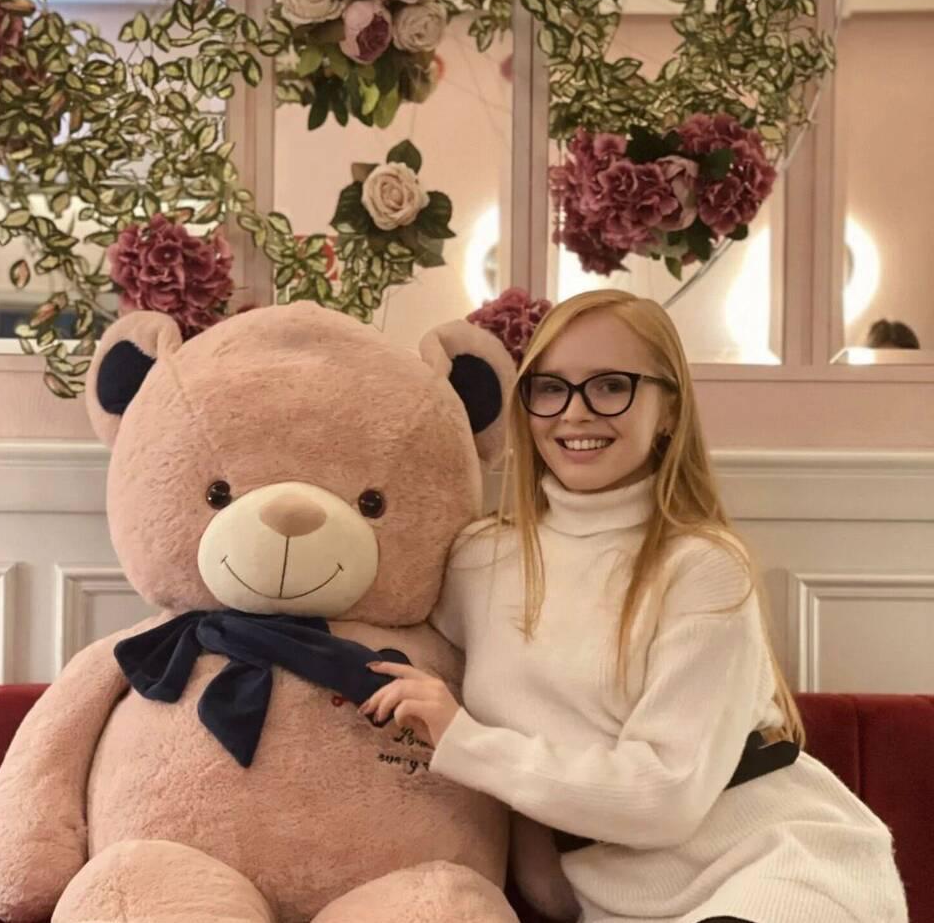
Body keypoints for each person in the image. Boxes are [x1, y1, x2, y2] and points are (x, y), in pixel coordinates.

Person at [361, 289, 908, 923]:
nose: (575, 413)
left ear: (669, 408)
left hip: (776, 862)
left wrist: (467, 741)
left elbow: (665, 797)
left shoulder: (701, 566)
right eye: (550, 388)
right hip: (623, 899)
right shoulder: (479, 560)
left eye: (611, 386)